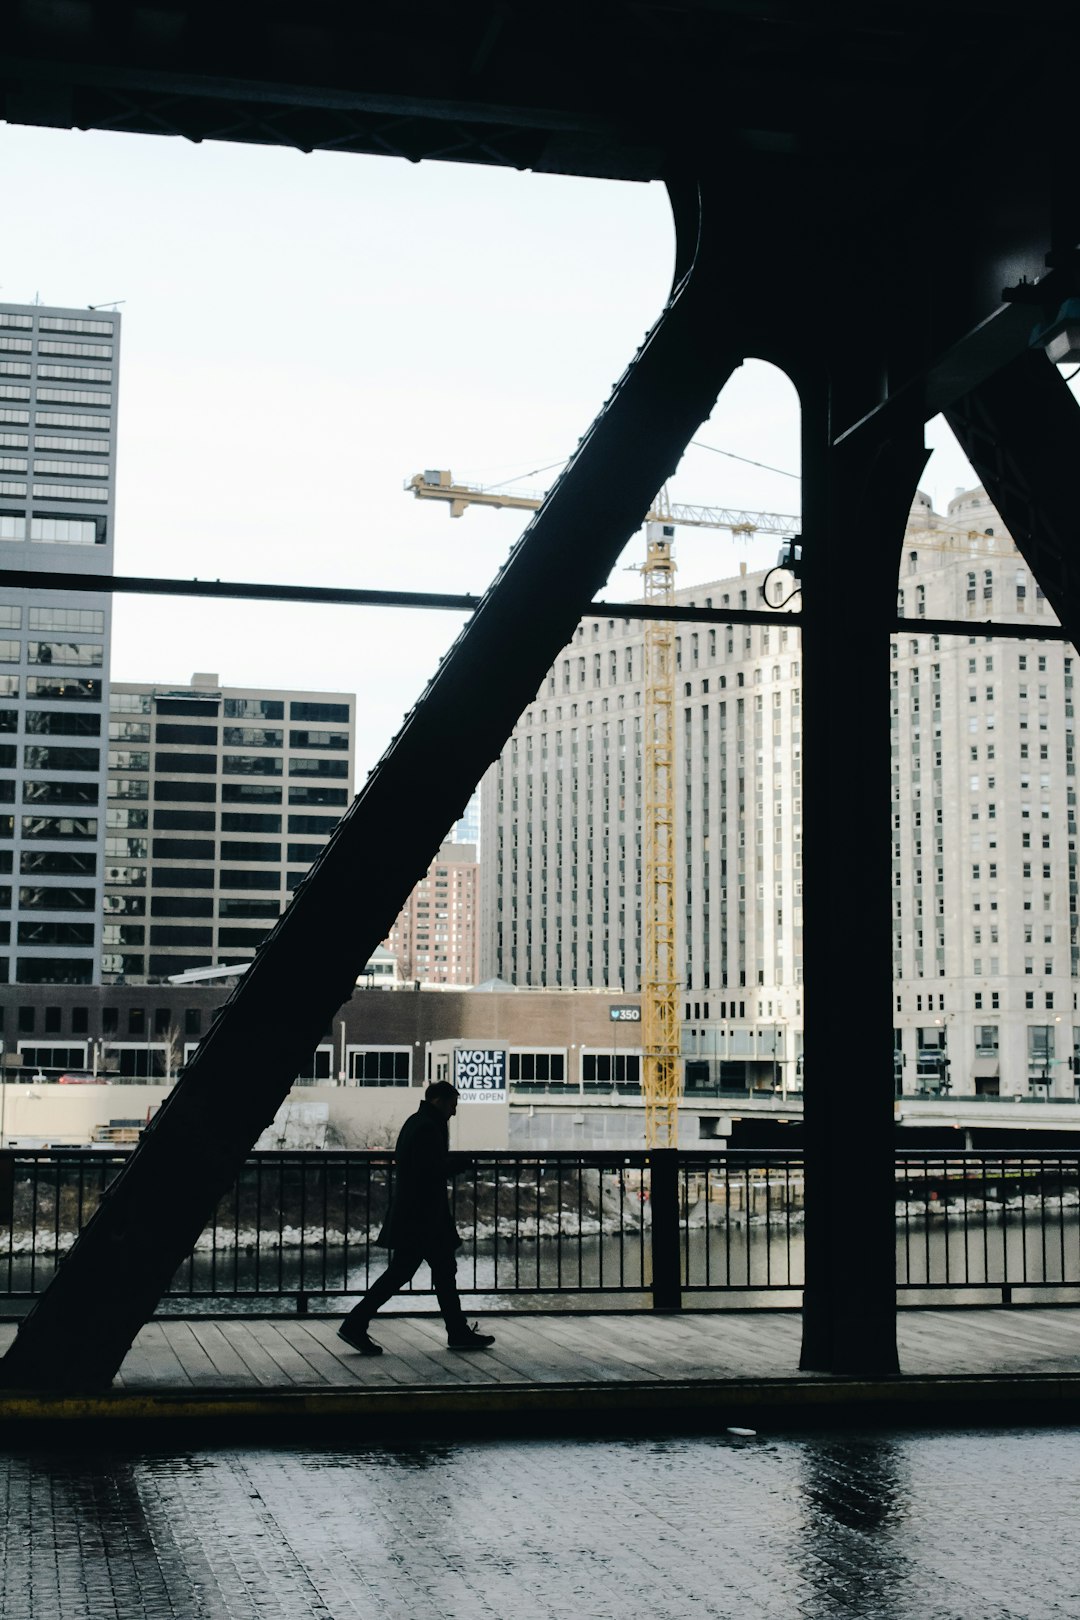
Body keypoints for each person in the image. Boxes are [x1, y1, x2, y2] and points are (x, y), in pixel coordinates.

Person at [338, 1080, 495, 1354]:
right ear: (439, 1101)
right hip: (425, 1217)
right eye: (452, 1105)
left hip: (416, 1214)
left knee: (412, 1272)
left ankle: (356, 1323)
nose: (454, 1112)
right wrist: (459, 1164)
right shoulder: (428, 1128)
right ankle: (455, 1332)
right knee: (436, 1273)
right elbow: (430, 1170)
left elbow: (421, 1168)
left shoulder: (418, 1122)